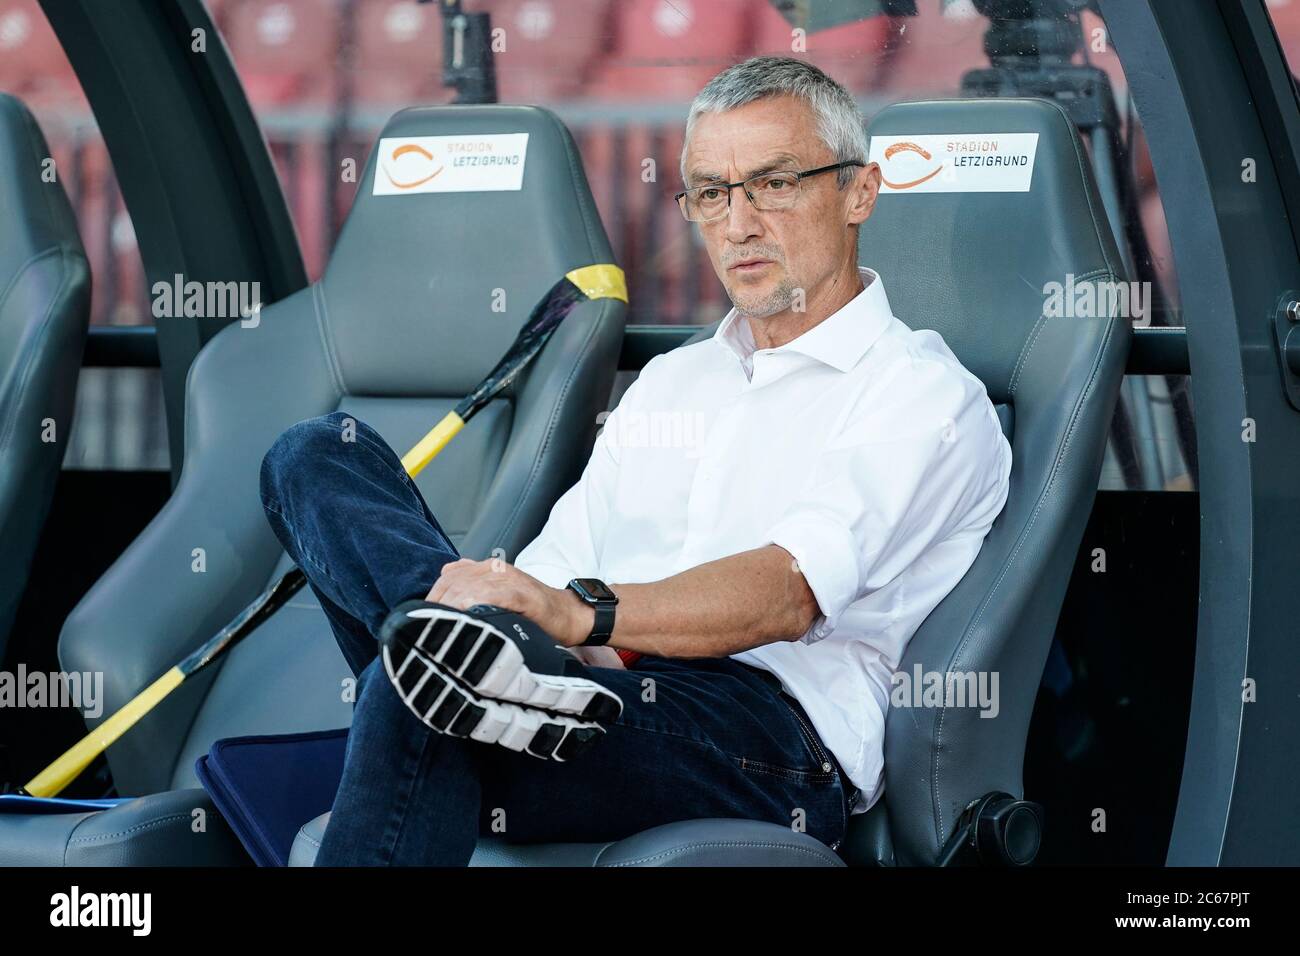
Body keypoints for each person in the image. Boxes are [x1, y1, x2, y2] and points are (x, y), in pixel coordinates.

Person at [258, 55, 1012, 866]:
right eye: (712, 194)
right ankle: (450, 655)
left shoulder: (921, 395)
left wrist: (581, 614)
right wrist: (535, 629)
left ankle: (447, 665)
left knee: (417, 691)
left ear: (858, 191)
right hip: (590, 696)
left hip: (769, 736)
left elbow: (790, 592)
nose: (739, 223)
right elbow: (556, 567)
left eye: (775, 183)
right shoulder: (671, 381)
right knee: (313, 457)